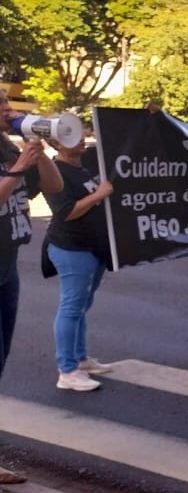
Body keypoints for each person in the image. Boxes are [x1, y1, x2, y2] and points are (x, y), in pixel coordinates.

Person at [0, 92, 62, 485]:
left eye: (7, 107)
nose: (9, 113)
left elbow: (54, 188)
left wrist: (43, 156)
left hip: (6, 270)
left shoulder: (8, 148)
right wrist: (18, 168)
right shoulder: (11, 159)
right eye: (2, 108)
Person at [44, 136, 114, 393]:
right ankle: (67, 370)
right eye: (70, 135)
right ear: (56, 143)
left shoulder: (82, 166)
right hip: (71, 247)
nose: (81, 139)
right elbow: (66, 212)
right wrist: (98, 195)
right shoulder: (56, 171)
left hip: (92, 247)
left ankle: (81, 360)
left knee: (83, 305)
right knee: (72, 308)